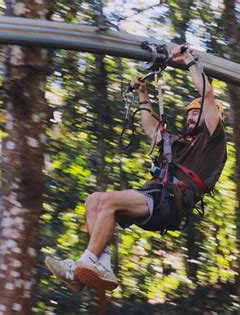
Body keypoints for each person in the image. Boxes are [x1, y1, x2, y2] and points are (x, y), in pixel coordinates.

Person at [45, 45, 227, 292]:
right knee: (94, 200)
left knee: (107, 202)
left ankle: (81, 267)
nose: (190, 118)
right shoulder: (180, 144)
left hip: (171, 202)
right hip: (158, 198)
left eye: (196, 114)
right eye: (189, 115)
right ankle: (101, 264)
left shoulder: (213, 140)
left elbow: (207, 96)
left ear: (211, 116)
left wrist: (189, 61)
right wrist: (143, 93)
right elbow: (151, 130)